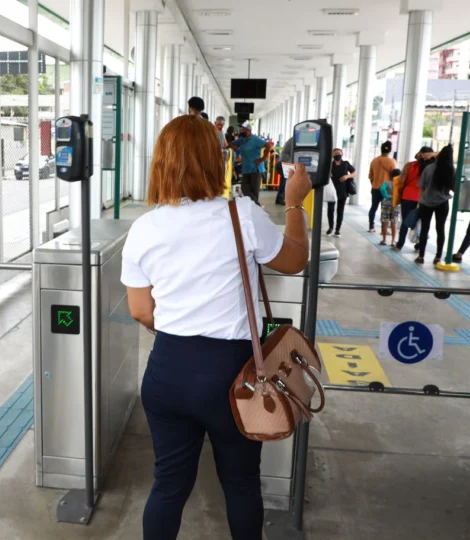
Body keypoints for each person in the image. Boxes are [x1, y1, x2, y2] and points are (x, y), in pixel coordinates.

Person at [120, 114, 312, 540]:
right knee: (241, 482)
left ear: (160, 162)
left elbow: (140, 310)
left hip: (167, 369)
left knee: (168, 485)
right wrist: (296, 203)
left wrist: (181, 332)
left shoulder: (144, 228)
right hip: (233, 374)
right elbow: (296, 259)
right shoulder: (240, 214)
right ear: (216, 160)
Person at [416, 144, 456, 264]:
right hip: (442, 203)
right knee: (440, 229)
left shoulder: (429, 168)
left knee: (424, 229)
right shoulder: (451, 170)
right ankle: (438, 256)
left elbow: (421, 187)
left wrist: (419, 202)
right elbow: (455, 189)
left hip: (426, 202)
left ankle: (421, 256)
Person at [394, 147, 436, 251]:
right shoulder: (432, 168)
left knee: (405, 221)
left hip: (407, 196)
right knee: (422, 223)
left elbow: (401, 180)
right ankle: (418, 246)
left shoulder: (409, 165)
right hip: (424, 199)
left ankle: (400, 244)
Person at [228, 122, 274, 204]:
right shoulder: (241, 140)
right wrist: (233, 146)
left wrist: (262, 158)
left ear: (249, 130)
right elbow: (231, 145)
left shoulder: (255, 139)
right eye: (241, 129)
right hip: (246, 168)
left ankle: (255, 206)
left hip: (255, 168)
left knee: (254, 190)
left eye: (243, 129)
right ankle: (256, 205)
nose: (241, 131)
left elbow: (268, 146)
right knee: (244, 188)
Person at [367, 141, 398, 232]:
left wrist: (374, 183)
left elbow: (370, 175)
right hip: (387, 190)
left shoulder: (374, 161)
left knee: (373, 207)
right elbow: (395, 176)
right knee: (385, 210)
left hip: (375, 188)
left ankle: (371, 226)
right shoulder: (392, 161)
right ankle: (383, 229)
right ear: (389, 150)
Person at [326, 148, 356, 236]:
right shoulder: (330, 165)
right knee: (330, 209)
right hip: (332, 190)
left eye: (338, 153)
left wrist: (347, 176)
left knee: (340, 210)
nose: (337, 155)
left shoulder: (346, 164)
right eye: (335, 153)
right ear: (332, 155)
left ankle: (337, 229)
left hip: (343, 190)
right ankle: (330, 227)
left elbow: (354, 172)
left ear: (342, 154)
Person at [380, 168, 402, 246]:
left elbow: (382, 189)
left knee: (385, 222)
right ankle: (393, 241)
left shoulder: (386, 183)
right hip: (396, 204)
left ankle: (384, 240)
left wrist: (387, 196)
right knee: (394, 222)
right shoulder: (400, 184)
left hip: (386, 204)